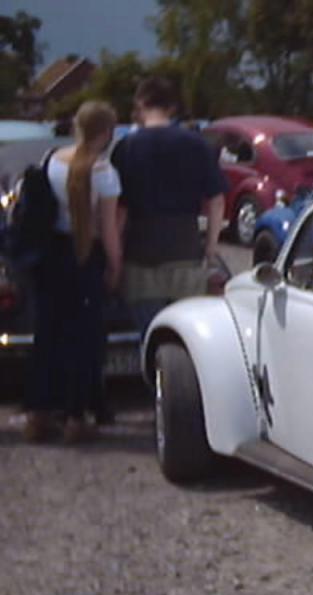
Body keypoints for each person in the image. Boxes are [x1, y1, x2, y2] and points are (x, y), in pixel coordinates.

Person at [23, 100, 123, 443]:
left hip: (51, 255)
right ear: (106, 133)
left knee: (47, 334)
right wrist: (115, 266)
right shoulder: (105, 173)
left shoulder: (51, 160)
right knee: (82, 339)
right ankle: (75, 417)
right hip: (86, 256)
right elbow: (108, 231)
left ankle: (38, 414)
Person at [110, 76, 226, 336]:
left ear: (140, 104)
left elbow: (120, 211)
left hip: (140, 256)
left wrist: (114, 260)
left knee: (150, 335)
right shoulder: (197, 144)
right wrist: (210, 246)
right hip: (185, 251)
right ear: (172, 107)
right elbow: (217, 200)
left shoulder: (126, 148)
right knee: (185, 338)